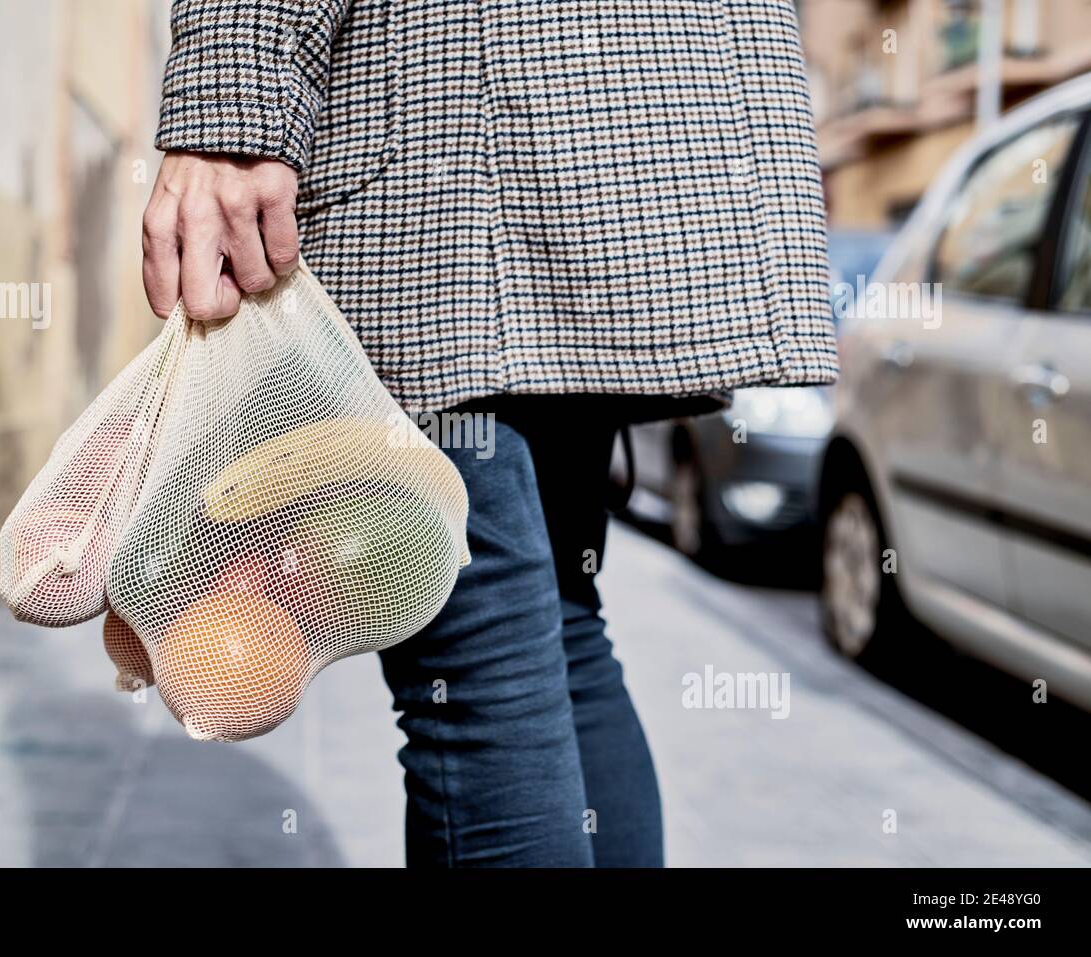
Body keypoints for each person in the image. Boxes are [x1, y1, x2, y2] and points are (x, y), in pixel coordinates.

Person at [142, 0, 838, 867]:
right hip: (616, 146)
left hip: (458, 150)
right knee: (557, 623)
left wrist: (230, 112)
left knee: (478, 670)